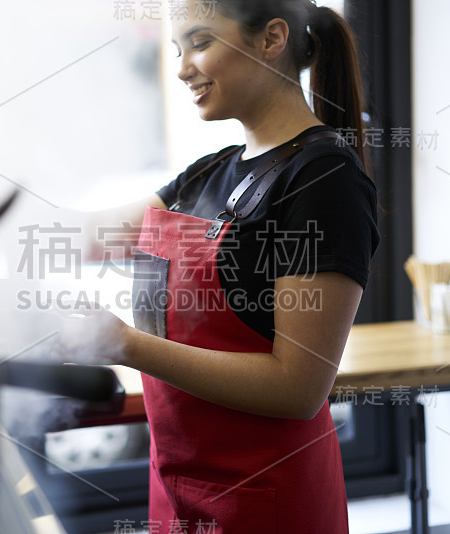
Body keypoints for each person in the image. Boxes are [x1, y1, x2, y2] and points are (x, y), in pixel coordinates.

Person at [57, 1, 379, 532]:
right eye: (177, 50)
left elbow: (298, 387)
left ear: (271, 38)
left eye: (200, 42)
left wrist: (125, 346)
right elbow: (87, 237)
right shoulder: (208, 174)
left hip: (268, 503)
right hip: (179, 494)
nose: (182, 68)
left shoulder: (323, 181)